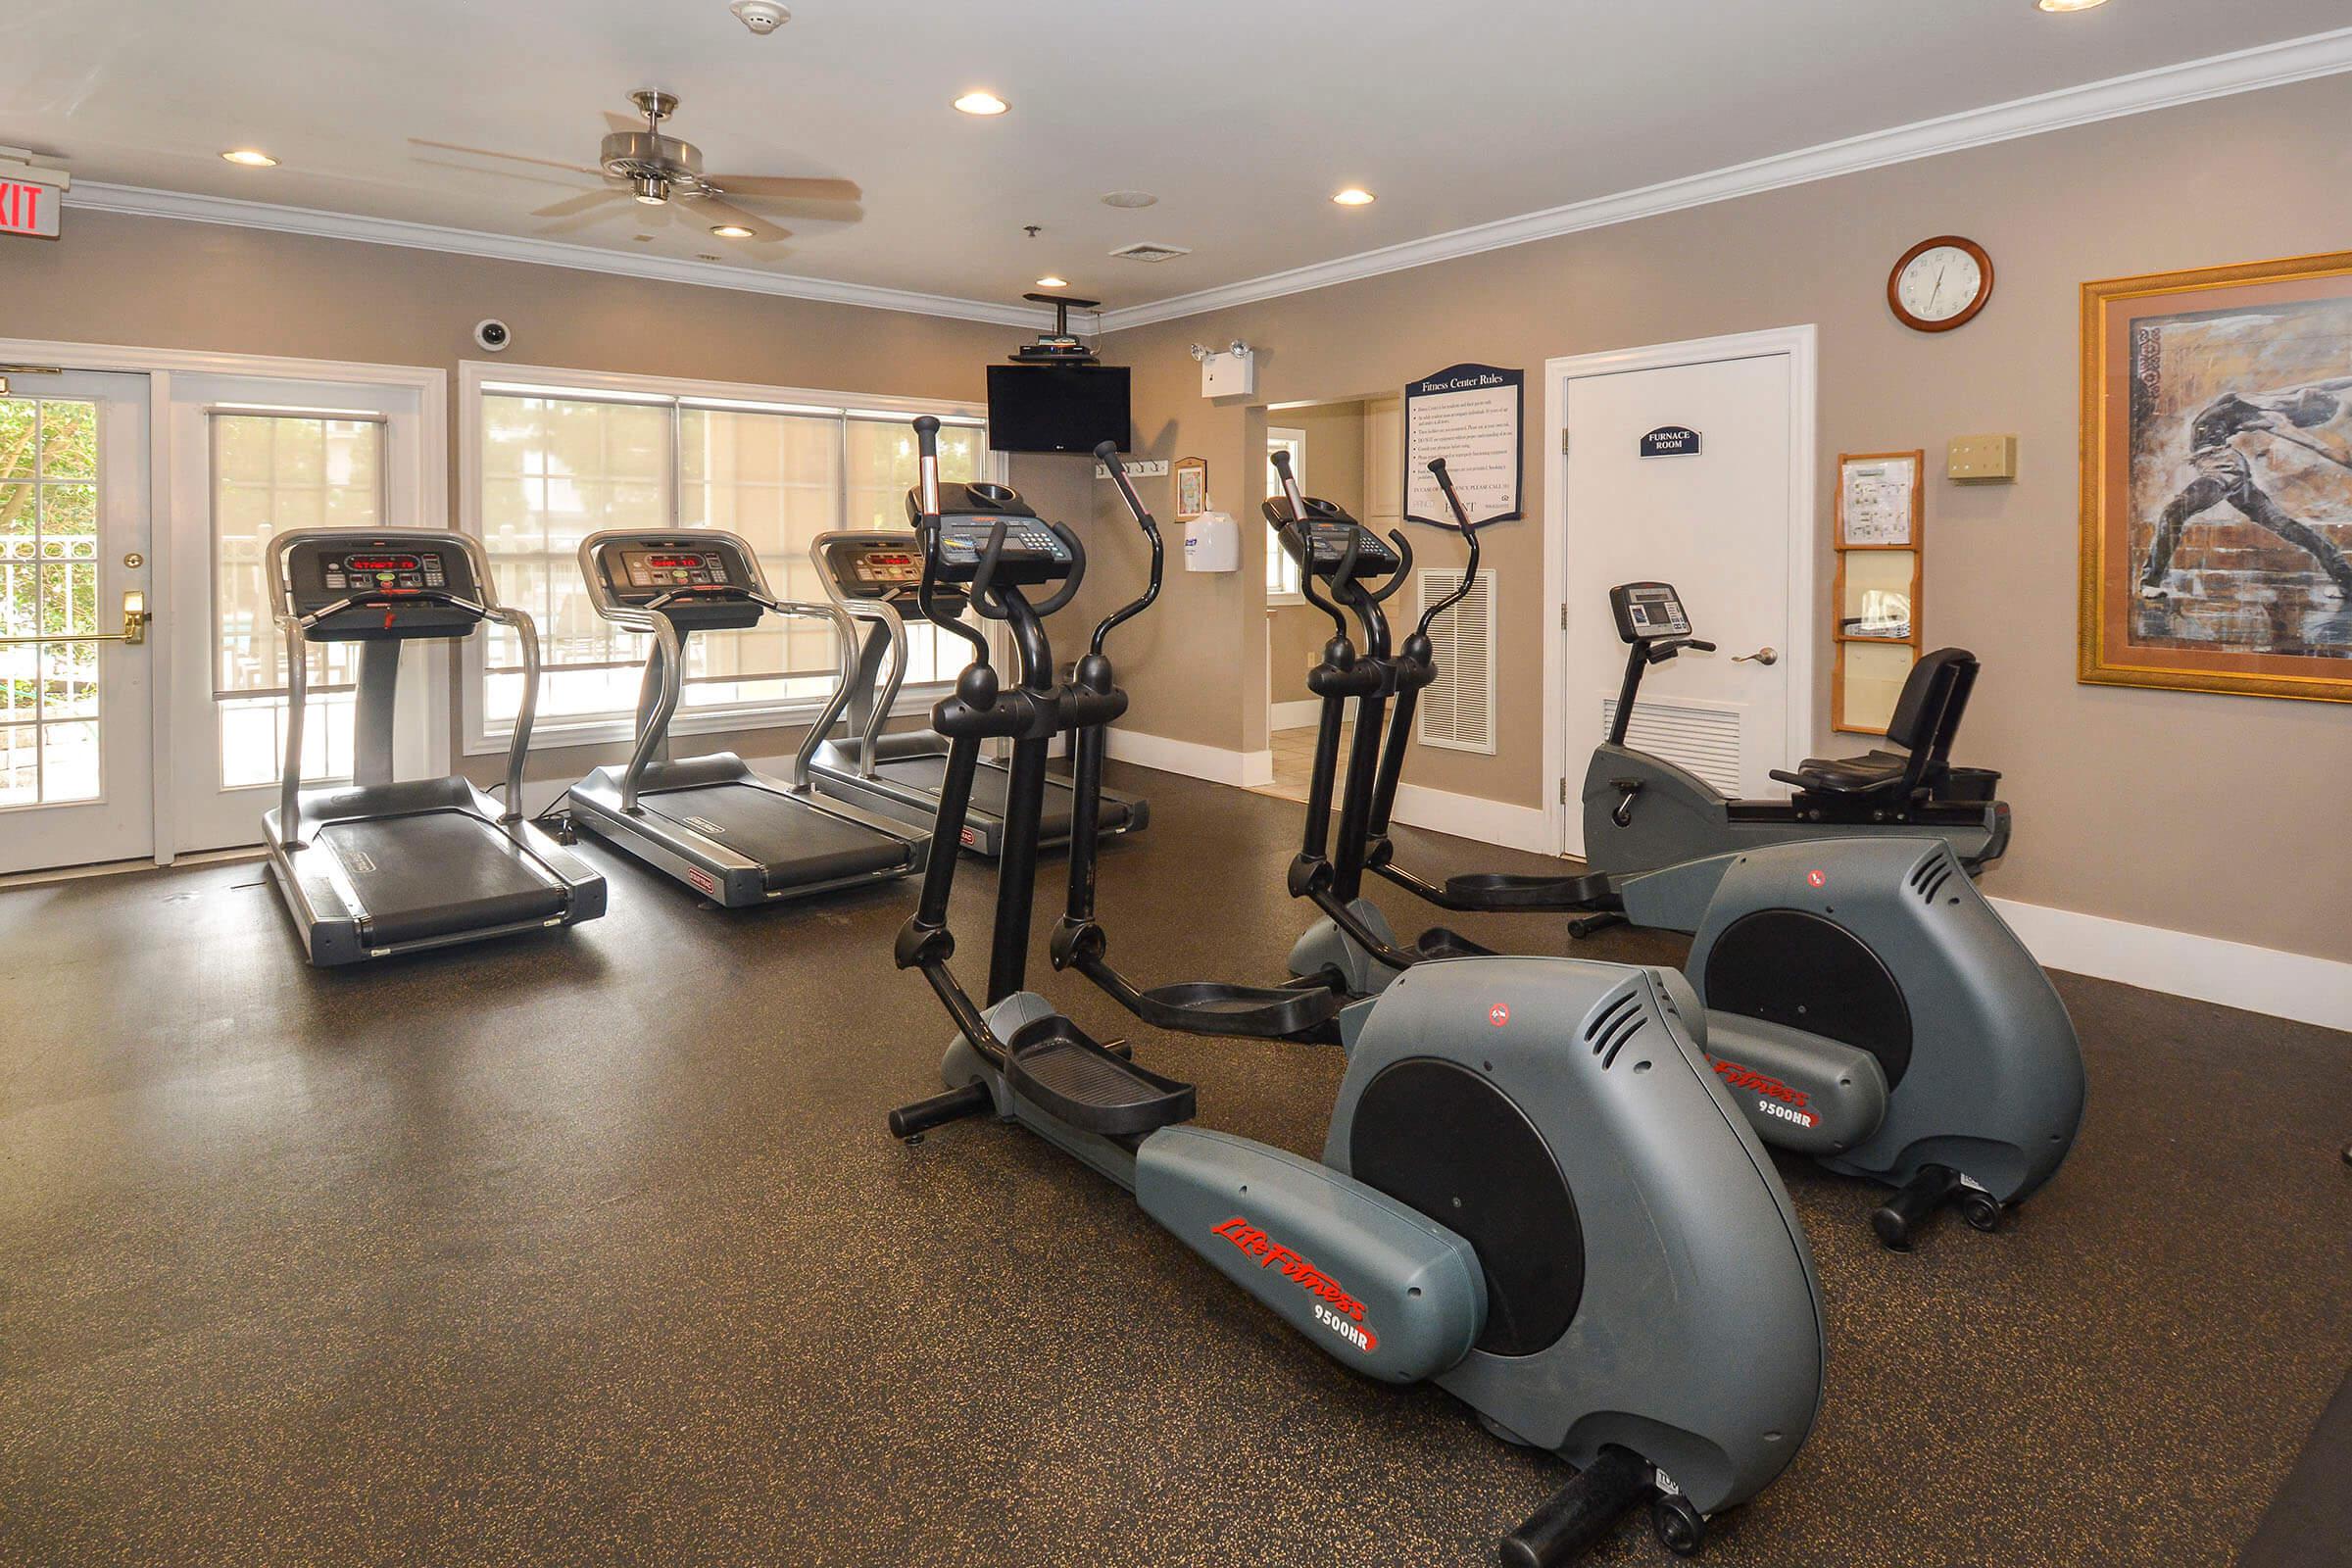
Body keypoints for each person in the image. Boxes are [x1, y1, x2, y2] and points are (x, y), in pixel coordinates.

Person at [2140, 376, 2352, 602]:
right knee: (2284, 525)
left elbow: (2317, 446)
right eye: (2322, 394)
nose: (2318, 392)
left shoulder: (2272, 418)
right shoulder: (2269, 398)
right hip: (2228, 469)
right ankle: (2346, 581)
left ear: (2306, 409)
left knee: (2174, 513)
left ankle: (2150, 582)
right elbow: (2328, 384)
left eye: (2322, 400)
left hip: (2224, 468)